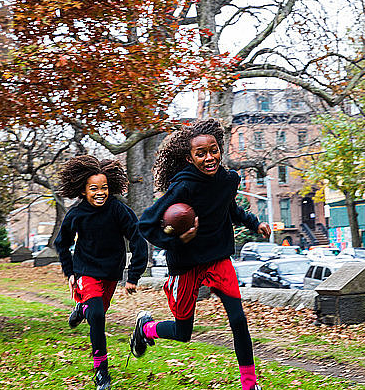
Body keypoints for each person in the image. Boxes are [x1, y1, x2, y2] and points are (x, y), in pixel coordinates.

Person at [132, 119, 271, 390]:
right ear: (189, 157)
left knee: (239, 320)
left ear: (220, 149)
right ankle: (146, 328)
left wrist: (255, 223)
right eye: (201, 153)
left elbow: (230, 210)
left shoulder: (229, 180)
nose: (210, 157)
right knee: (183, 332)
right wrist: (175, 240)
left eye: (214, 150)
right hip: (186, 263)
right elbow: (146, 223)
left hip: (218, 259)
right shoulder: (183, 186)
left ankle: (249, 384)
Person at [54, 155, 147, 390]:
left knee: (96, 310)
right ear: (83, 191)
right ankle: (101, 372)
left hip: (111, 271)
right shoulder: (76, 214)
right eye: (93, 188)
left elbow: (137, 239)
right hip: (86, 269)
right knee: (97, 316)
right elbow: (61, 243)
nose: (100, 192)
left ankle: (81, 307)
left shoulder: (118, 210)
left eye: (104, 188)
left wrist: (133, 276)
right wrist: (70, 272)